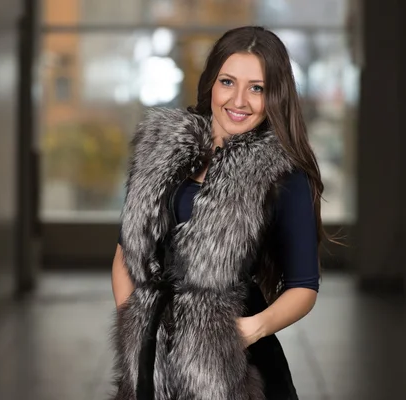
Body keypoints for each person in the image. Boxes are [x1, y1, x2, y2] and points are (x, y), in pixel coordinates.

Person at [111, 26, 325, 400]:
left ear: (273, 96)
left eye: (256, 88)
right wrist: (141, 338)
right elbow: (125, 257)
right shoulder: (158, 150)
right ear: (211, 83)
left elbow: (304, 287)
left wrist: (247, 332)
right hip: (152, 363)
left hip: (238, 369)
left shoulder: (284, 175)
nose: (239, 100)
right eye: (228, 82)